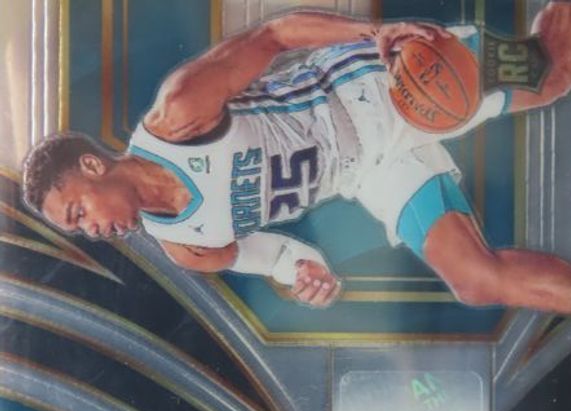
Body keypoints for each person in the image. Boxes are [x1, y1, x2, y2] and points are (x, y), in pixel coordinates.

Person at [22, 3, 571, 313]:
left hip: (379, 89)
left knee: (550, 74)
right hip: (368, 171)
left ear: (92, 167)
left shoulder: (180, 113)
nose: (91, 230)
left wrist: (376, 33)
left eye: (79, 212)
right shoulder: (186, 245)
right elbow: (281, 257)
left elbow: (276, 35)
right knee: (475, 281)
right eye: (78, 229)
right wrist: (306, 275)